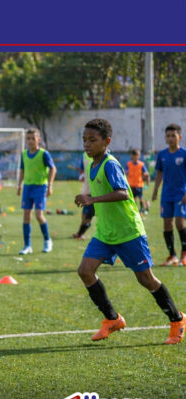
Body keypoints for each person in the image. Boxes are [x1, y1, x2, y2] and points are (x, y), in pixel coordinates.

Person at [75, 118, 184, 345]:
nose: (87, 144)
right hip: (106, 233)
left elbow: (123, 192)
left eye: (92, 140)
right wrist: (89, 204)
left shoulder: (110, 164)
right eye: (84, 140)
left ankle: (177, 319)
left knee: (146, 279)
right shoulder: (92, 163)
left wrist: (92, 199)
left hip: (128, 232)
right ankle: (112, 319)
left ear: (107, 142)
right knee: (85, 271)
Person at [150, 124, 186, 266]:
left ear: (179, 137)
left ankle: (184, 254)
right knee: (167, 225)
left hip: (181, 194)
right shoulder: (162, 155)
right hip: (166, 195)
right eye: (168, 136)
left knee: (179, 223)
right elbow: (159, 173)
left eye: (173, 136)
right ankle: (172, 255)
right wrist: (155, 190)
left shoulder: (184, 154)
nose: (170, 138)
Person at [16, 128, 56, 254]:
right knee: (26, 216)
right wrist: (19, 185)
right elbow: (22, 171)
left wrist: (50, 185)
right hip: (27, 187)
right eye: (28, 138)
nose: (30, 141)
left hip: (40, 187)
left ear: (38, 139)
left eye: (33, 138)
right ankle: (27, 246)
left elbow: (53, 169)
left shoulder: (44, 154)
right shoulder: (24, 154)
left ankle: (47, 240)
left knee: (39, 215)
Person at [73, 153, 95, 240]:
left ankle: (80, 234)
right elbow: (82, 169)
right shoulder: (84, 155)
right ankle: (80, 234)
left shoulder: (104, 155)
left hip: (95, 191)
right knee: (85, 215)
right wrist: (81, 175)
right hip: (86, 189)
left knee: (88, 215)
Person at [126, 148, 150, 215]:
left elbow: (146, 173)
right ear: (132, 156)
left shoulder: (141, 164)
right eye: (134, 156)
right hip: (131, 185)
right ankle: (133, 209)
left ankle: (142, 209)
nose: (135, 157)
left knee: (140, 198)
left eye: (137, 155)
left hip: (139, 185)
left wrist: (146, 177)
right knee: (132, 199)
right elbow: (125, 172)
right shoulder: (128, 164)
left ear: (139, 156)